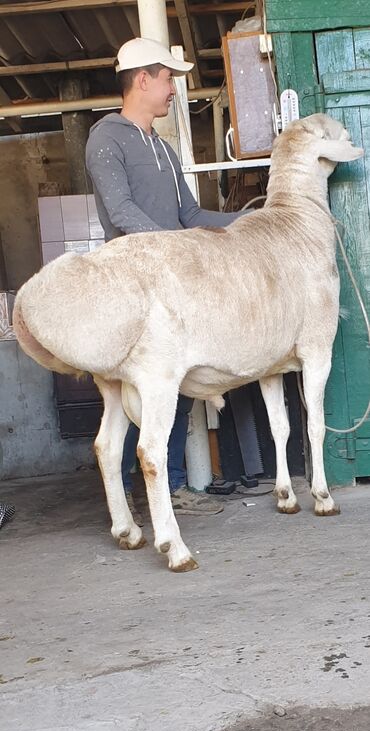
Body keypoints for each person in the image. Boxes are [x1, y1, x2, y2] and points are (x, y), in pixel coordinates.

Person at [85, 37, 247, 519]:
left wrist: (248, 220)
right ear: (143, 79)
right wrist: (178, 249)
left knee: (169, 385)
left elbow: (190, 213)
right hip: (133, 287)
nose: (174, 88)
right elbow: (121, 211)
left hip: (171, 284)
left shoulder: (164, 148)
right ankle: (150, 489)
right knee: (140, 390)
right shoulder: (105, 138)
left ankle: (170, 486)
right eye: (169, 78)